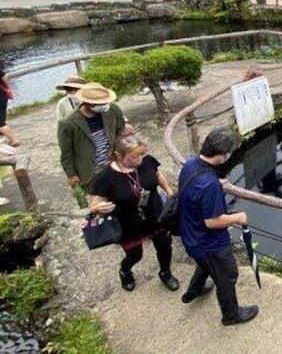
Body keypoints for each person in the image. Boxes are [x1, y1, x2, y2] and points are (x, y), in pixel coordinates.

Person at [178, 126, 258, 326]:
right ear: (223, 154)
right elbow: (212, 221)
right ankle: (231, 315)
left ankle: (193, 291)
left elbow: (197, 190)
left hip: (190, 234)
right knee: (227, 275)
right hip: (209, 242)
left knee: (206, 264)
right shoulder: (209, 184)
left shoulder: (190, 164)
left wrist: (216, 184)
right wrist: (237, 217)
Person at [89, 135, 178, 293]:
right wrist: (99, 208)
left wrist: (169, 191)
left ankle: (165, 272)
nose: (140, 159)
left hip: (155, 213)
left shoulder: (148, 161)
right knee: (135, 254)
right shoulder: (105, 177)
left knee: (164, 245)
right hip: (128, 222)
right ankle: (125, 271)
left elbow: (158, 175)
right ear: (119, 156)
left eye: (142, 154)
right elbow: (95, 205)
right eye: (134, 156)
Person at [58, 82, 127, 193]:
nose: (105, 105)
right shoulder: (68, 123)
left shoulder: (113, 110)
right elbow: (66, 153)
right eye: (101, 103)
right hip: (92, 170)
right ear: (87, 103)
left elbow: (120, 132)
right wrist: (71, 175)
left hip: (115, 162)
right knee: (102, 201)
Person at [0, 67, 19, 148]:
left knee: (1, 123)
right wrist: (7, 87)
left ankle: (13, 140)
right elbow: (5, 76)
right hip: (2, 95)